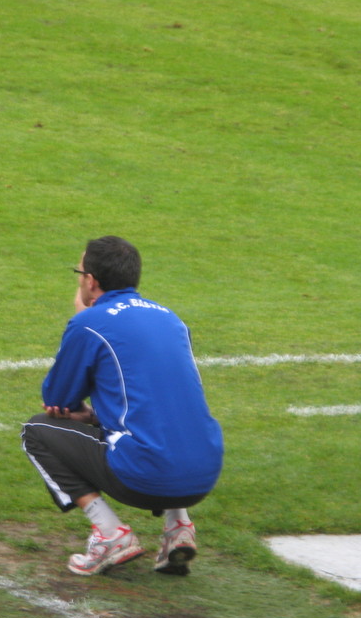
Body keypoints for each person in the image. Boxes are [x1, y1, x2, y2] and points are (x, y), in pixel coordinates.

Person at [21, 236, 223, 576]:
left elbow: (57, 400)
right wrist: (97, 415)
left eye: (79, 272)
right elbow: (157, 398)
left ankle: (110, 534)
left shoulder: (89, 323)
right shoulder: (171, 319)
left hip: (146, 478)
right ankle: (179, 528)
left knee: (37, 431)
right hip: (205, 472)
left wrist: (82, 318)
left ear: (91, 281)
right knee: (163, 421)